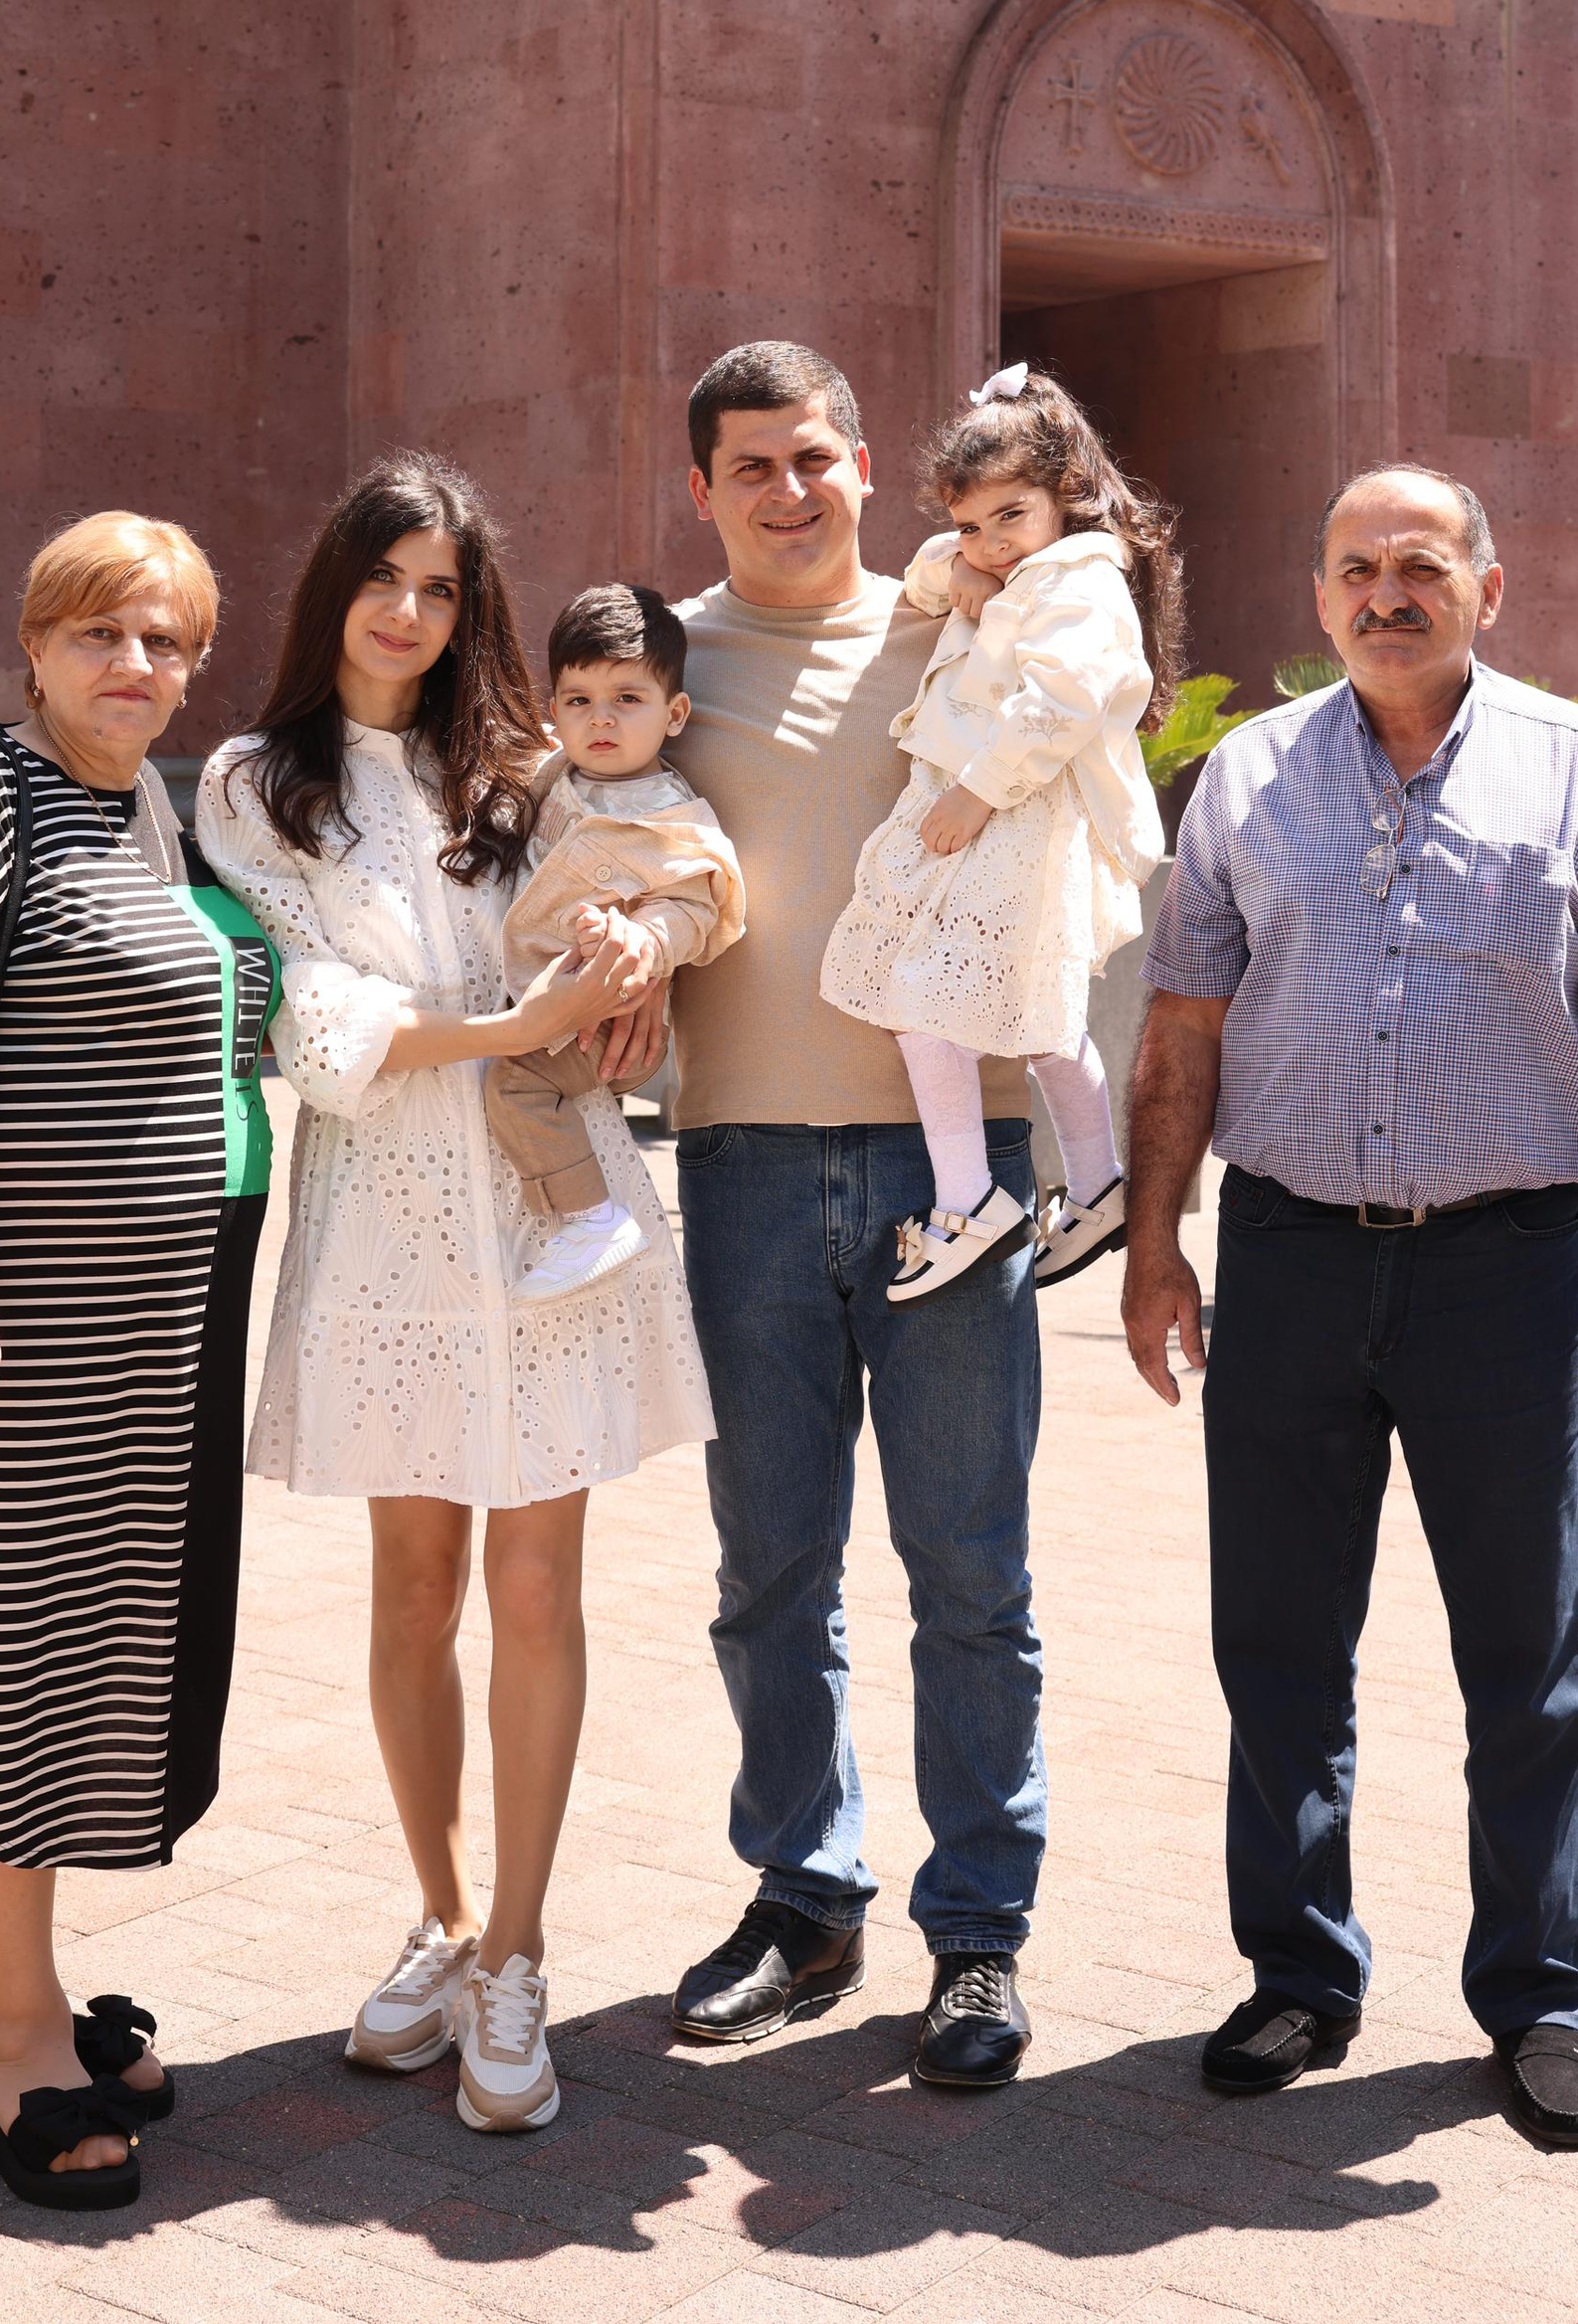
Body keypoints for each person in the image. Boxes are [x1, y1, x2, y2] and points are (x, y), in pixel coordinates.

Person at [1124, 463, 1578, 2155]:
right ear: (1317, 598)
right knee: (1280, 1644)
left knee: (1526, 1658)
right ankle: (1299, 1971)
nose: (1388, 591)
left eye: (1421, 563)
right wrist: (1157, 1246)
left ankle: (1537, 1999)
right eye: (1356, 567)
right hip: (1294, 1258)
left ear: (1489, 581)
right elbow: (1179, 1029)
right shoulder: (1248, 776)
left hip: (1505, 1272)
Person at [195, 454, 714, 2138]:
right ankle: (434, 1910)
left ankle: (519, 1949)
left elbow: (659, 868)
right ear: (332, 583)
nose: (409, 613)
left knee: (541, 1579)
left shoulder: (522, 761)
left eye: (440, 586)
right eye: (383, 578)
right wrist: (498, 1023)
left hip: (549, 1202)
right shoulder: (252, 784)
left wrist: (644, 942)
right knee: (414, 1580)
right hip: (384, 1217)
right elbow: (310, 1014)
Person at [0, 510, 276, 2217]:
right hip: (5, 1329)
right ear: (35, 642)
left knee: (87, 1639)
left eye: (167, 638)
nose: (137, 665)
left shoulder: (154, 805)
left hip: (148, 1330)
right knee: (12, 1640)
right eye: (104, 632)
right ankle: (18, 2029)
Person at [662, 342, 1045, 2091]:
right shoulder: (657, 660)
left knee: (969, 1569)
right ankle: (805, 1899)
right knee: (770, 1572)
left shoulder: (967, 617)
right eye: (751, 465)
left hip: (951, 1166)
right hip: (740, 1163)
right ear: (704, 488)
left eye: (813, 456)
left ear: (869, 460)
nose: (788, 489)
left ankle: (977, 1938)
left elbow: (1110, 630)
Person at [819, 363, 1172, 1302]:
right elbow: (926, 576)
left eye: (1010, 516)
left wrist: (974, 793)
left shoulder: (1084, 583)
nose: (991, 542)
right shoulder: (1029, 570)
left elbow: (1059, 704)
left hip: (1010, 809)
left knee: (924, 1003)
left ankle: (970, 1199)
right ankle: (1096, 1185)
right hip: (995, 809)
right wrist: (968, 560)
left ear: (1069, 497)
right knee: (1035, 1016)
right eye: (972, 522)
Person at [494, 581, 747, 1305]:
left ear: (675, 715)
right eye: (579, 701)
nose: (600, 720)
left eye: (627, 700)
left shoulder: (672, 817)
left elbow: (696, 902)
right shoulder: (552, 776)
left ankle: (590, 1219)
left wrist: (642, 940)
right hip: (546, 990)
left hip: (607, 1015)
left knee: (516, 1084)